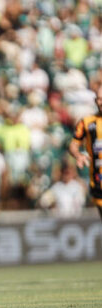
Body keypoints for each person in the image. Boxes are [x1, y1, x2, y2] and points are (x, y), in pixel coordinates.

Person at [69, 86, 102, 220]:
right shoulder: (87, 122)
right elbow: (73, 144)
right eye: (98, 99)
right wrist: (78, 155)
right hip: (98, 182)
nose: (100, 102)